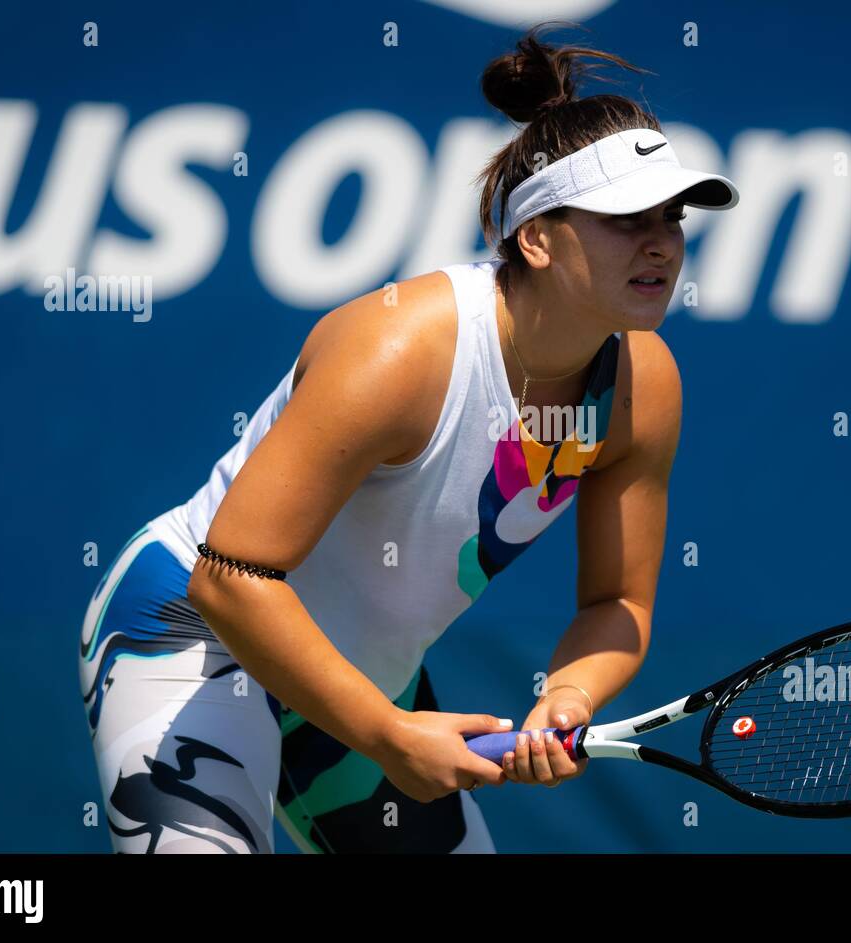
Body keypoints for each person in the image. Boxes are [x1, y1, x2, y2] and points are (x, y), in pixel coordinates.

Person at [77, 22, 739, 854]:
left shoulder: (647, 387)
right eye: (624, 218)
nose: (661, 243)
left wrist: (565, 700)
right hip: (191, 630)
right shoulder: (400, 350)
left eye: (671, 217)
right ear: (535, 237)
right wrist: (389, 734)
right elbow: (232, 575)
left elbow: (617, 605)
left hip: (362, 684)